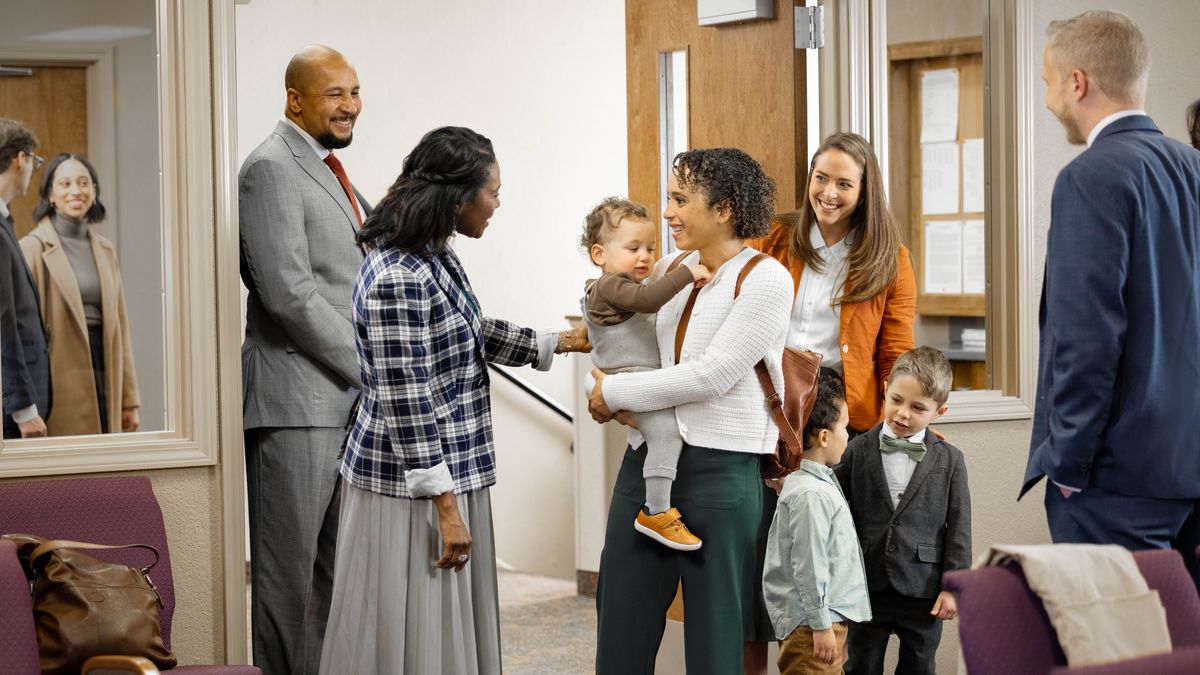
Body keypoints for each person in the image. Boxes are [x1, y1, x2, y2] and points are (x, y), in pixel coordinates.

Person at [318, 126, 585, 674]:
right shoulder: (397, 274)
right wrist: (445, 507)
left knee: (445, 620)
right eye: (493, 192)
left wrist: (555, 341)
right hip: (409, 485)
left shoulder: (434, 255)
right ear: (459, 197)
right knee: (409, 623)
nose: (497, 204)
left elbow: (467, 329)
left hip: (452, 471)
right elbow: (406, 396)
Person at [588, 147, 794, 674]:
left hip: (722, 473)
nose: (668, 212)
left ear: (723, 209)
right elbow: (628, 344)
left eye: (680, 199)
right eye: (669, 198)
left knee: (714, 640)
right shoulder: (670, 268)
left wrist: (613, 396)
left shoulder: (767, 279)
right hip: (646, 463)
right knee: (621, 625)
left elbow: (713, 376)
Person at [1020, 10, 1200, 589]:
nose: (1048, 99)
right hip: (1188, 470)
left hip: (1116, 484)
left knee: (1121, 656)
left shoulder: (1090, 176)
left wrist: (1068, 466)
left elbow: (1087, 339)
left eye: (1048, 81)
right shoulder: (1194, 168)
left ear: (1078, 82)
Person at [746, 131, 915, 673]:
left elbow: (895, 354)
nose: (830, 193)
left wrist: (905, 423)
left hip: (841, 419)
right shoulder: (776, 235)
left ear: (865, 191)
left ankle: (825, 658)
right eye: (822, 178)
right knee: (769, 546)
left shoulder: (890, 256)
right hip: (768, 406)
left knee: (833, 552)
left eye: (845, 183)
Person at [238, 45, 369, 674]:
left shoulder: (329, 167)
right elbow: (288, 292)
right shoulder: (269, 167)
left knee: (332, 574)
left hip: (340, 401)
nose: (349, 107)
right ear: (295, 100)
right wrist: (369, 367)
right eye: (334, 95)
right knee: (287, 579)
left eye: (354, 92)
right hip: (296, 400)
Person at [580, 196, 710, 550]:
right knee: (667, 435)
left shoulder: (616, 286)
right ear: (599, 255)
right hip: (631, 381)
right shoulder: (611, 285)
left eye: (651, 248)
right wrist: (686, 275)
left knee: (663, 435)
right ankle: (656, 510)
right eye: (632, 247)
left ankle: (660, 504)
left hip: (637, 381)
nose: (645, 257)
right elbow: (649, 301)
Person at [835, 346, 970, 675]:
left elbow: (960, 528)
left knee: (919, 666)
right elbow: (834, 508)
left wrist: (954, 586)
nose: (903, 414)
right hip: (866, 584)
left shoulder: (951, 460)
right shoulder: (856, 450)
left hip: (923, 588)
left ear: (940, 412)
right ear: (885, 390)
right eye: (896, 400)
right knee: (862, 665)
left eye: (918, 408)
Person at [19, 154, 139, 436]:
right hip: (57, 374)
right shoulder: (31, 248)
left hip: (105, 364)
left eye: (84, 183)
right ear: (50, 194)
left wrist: (129, 399)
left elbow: (121, 327)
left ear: (94, 191)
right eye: (66, 184)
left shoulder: (106, 249)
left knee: (106, 468)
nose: (76, 191)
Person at [762, 372, 870, 675]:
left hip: (821, 621)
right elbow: (809, 564)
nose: (848, 435)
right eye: (845, 428)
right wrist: (821, 624)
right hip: (813, 626)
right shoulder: (811, 494)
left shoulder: (811, 485)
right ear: (824, 437)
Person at [0, 117, 50, 440]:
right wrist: (24, 409)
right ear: (21, 159)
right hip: (13, 412)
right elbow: (3, 320)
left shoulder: (5, 221)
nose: (32, 169)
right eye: (34, 161)